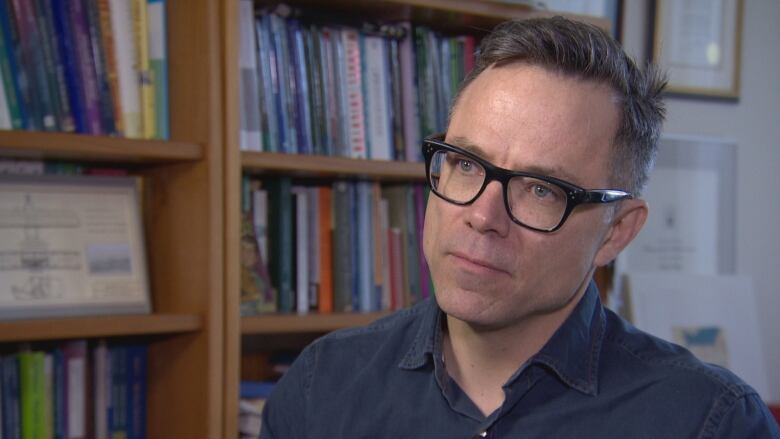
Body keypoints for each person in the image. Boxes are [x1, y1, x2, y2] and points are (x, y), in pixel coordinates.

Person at [260, 17, 780, 438]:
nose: (482, 217)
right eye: (466, 164)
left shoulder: (709, 422)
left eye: (540, 189)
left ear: (616, 231)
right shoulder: (320, 387)